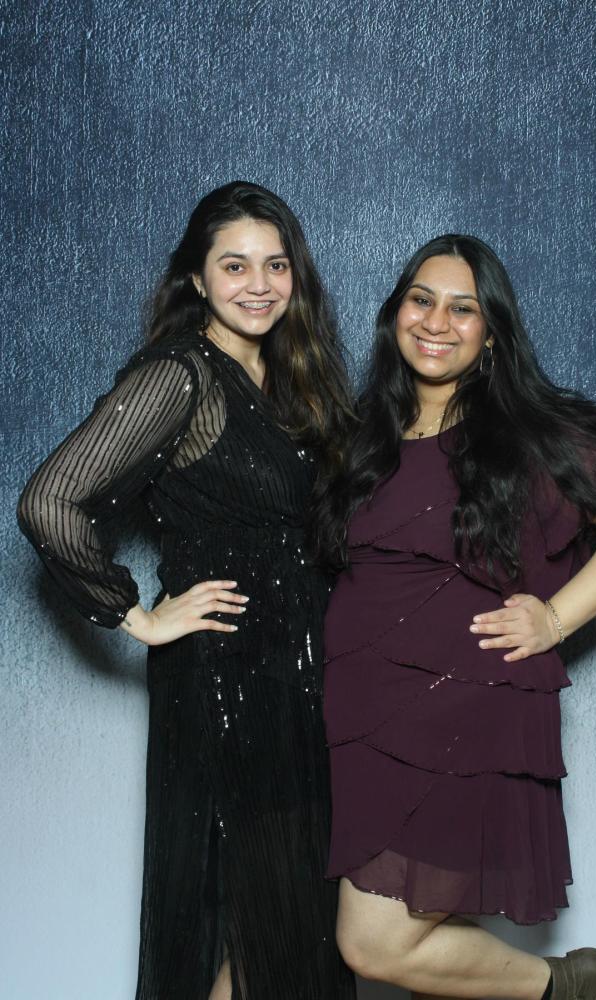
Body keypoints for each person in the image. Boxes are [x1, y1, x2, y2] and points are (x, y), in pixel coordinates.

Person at [18, 181, 357, 1000]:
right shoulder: (181, 375)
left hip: (300, 676)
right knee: (241, 903)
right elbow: (49, 501)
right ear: (197, 279)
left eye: (275, 264)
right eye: (234, 265)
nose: (258, 284)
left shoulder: (293, 377)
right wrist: (136, 616)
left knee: (283, 916)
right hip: (224, 679)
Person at [314, 234, 596, 1000]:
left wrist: (556, 618)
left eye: (462, 309)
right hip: (362, 723)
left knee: (371, 943)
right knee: (395, 942)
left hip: (457, 717)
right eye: (421, 300)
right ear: (395, 313)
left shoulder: (523, 430)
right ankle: (566, 986)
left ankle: (563, 984)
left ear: (491, 333)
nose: (436, 322)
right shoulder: (366, 432)